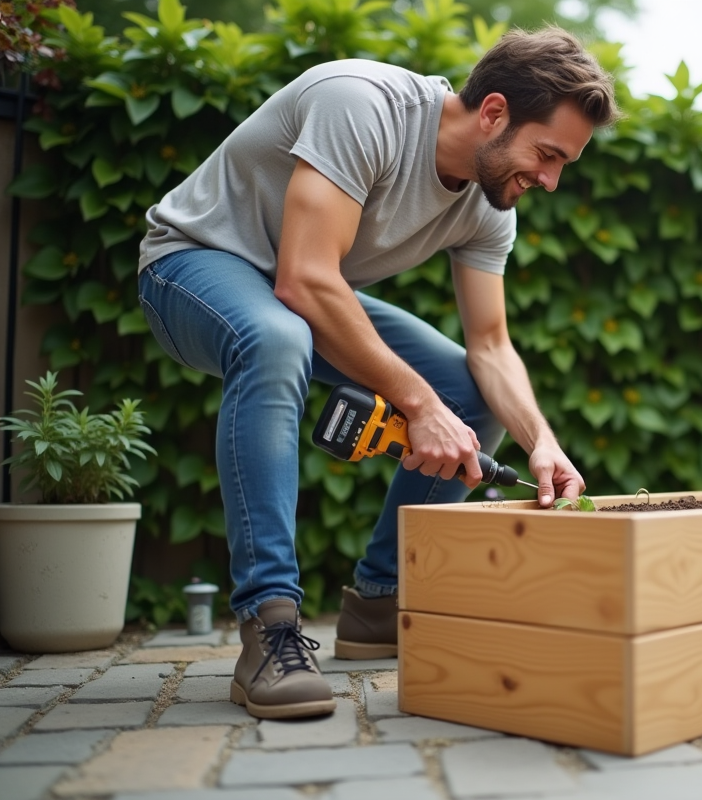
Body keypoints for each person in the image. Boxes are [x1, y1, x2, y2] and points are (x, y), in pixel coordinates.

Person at [137, 27, 619, 719]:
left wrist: (540, 440)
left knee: (466, 390)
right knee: (279, 340)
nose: (550, 179)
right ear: (492, 113)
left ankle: (380, 600)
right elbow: (304, 281)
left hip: (295, 288)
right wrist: (416, 406)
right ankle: (269, 627)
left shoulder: (489, 203)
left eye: (563, 163)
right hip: (192, 263)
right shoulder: (362, 104)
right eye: (547, 154)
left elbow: (490, 346)